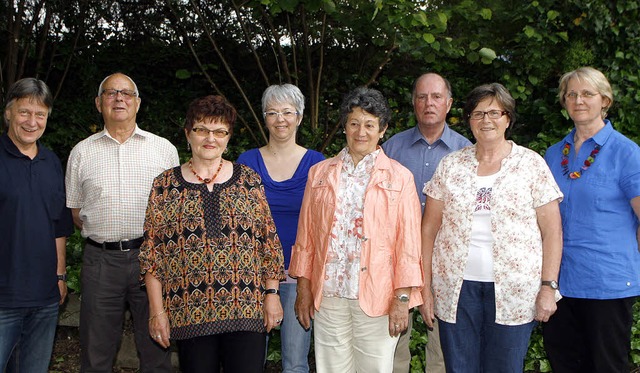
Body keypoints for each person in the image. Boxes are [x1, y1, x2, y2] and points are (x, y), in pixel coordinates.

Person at [420, 83, 563, 372]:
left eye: (495, 113)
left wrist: (548, 287)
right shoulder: (450, 165)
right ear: (468, 120)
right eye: (478, 114)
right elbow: (428, 231)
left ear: (508, 118)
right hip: (455, 290)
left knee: (505, 367)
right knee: (459, 366)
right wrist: (425, 289)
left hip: (514, 290)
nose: (486, 120)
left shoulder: (531, 164)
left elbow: (552, 232)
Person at [140, 95, 286, 372]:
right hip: (189, 313)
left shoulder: (248, 180)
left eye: (220, 131)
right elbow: (152, 255)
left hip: (246, 309)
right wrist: (157, 312)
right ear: (187, 133)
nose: (211, 138)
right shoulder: (164, 185)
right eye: (202, 129)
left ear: (228, 137)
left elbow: (268, 243)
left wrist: (272, 294)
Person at [290, 87, 423, 372]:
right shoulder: (320, 173)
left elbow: (409, 245)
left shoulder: (400, 177)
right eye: (354, 123)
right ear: (344, 127)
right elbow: (306, 236)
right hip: (329, 294)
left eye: (370, 124)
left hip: (378, 296)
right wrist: (303, 288)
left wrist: (402, 299)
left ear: (383, 129)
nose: (361, 132)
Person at [66, 73, 179, 372]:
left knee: (156, 349)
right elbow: (76, 212)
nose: (119, 98)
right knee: (95, 351)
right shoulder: (81, 152)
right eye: (111, 93)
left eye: (127, 93)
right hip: (100, 261)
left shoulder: (164, 150)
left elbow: (175, 210)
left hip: (152, 261)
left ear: (138, 103)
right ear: (98, 103)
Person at [542, 67, 640, 372]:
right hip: (560, 284)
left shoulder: (627, 153)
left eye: (587, 93)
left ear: (605, 100)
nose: (578, 100)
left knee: (607, 366)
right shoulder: (553, 154)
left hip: (607, 284)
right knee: (565, 364)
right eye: (571, 94)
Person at [382, 72, 470, 373]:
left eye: (435, 97)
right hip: (397, 261)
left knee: (444, 349)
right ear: (413, 103)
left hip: (447, 261)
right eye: (421, 97)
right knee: (392, 344)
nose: (428, 103)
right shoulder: (391, 149)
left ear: (448, 103)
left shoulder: (466, 152)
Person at [237, 84, 324, 373]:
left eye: (287, 112)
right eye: (272, 112)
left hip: (299, 274)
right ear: (264, 118)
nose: (280, 119)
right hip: (252, 275)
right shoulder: (246, 162)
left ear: (299, 117)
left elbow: (323, 224)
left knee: (296, 363)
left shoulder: (317, 164)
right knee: (248, 361)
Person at [0, 78, 74, 372]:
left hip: (44, 297)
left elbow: (58, 225)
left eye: (40, 114)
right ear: (8, 113)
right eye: (24, 112)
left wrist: (59, 276)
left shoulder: (52, 162)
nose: (32, 122)